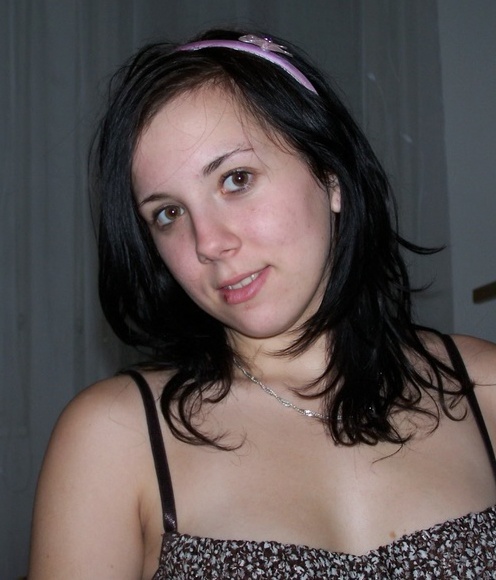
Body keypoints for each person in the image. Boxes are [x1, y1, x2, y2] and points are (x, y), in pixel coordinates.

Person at [28, 28, 496, 579]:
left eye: (236, 179)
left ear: (330, 175)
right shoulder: (113, 438)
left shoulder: (485, 389)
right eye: (168, 214)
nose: (208, 242)